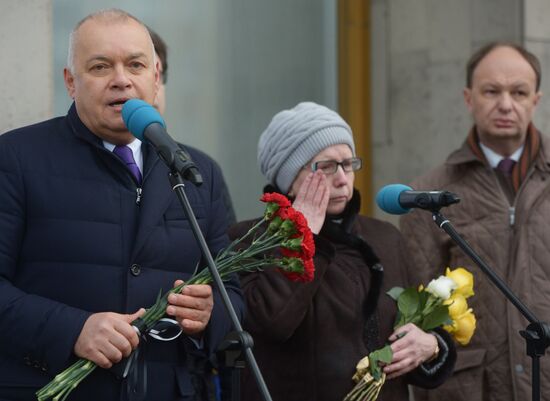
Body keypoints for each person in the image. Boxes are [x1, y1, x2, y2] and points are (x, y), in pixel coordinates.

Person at [0, 8, 243, 401]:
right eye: (100, 67)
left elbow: (232, 293)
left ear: (155, 73)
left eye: (135, 64)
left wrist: (210, 313)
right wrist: (72, 330)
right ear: (70, 82)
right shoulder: (15, 158)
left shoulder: (198, 171)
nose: (121, 80)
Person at [228, 102, 456, 401]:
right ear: (289, 178)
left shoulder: (385, 238)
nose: (342, 178)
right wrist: (303, 234)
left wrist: (431, 345)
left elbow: (413, 330)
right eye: (326, 166)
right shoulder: (249, 241)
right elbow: (273, 324)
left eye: (348, 164)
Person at [400, 42, 550, 401]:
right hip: (469, 389)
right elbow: (417, 316)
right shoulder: (429, 194)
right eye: (491, 91)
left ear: (536, 100)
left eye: (518, 92)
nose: (505, 104)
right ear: (469, 98)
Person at [147, 26, 236, 228]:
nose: (152, 89)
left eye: (158, 75)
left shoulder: (204, 170)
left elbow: (225, 255)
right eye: (138, 68)